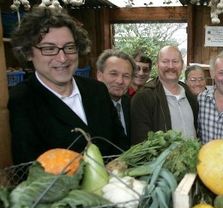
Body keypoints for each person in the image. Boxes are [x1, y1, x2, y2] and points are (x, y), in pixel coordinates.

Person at [8, 7, 128, 164]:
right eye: (49, 49)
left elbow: (121, 145)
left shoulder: (97, 90)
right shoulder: (23, 99)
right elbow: (29, 168)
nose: (63, 58)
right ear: (28, 53)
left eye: (69, 47)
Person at [130, 45, 198, 144]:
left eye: (175, 61)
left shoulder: (188, 93)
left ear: (182, 65)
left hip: (192, 158)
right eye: (165, 61)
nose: (170, 66)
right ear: (157, 65)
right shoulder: (144, 97)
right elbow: (141, 142)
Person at [96, 49, 136, 146]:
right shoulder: (87, 106)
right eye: (113, 74)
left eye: (126, 76)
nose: (120, 81)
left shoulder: (132, 105)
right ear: (99, 75)